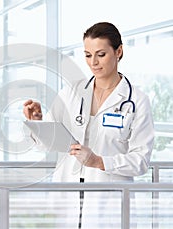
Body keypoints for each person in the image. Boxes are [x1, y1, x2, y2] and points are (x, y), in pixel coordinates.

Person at [23, 22, 154, 228]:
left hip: (108, 203)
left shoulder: (136, 101)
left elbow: (140, 161)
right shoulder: (71, 93)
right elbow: (47, 142)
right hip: (67, 196)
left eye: (101, 54)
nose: (93, 62)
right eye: (87, 55)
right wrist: (37, 123)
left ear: (118, 51)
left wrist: (98, 161)